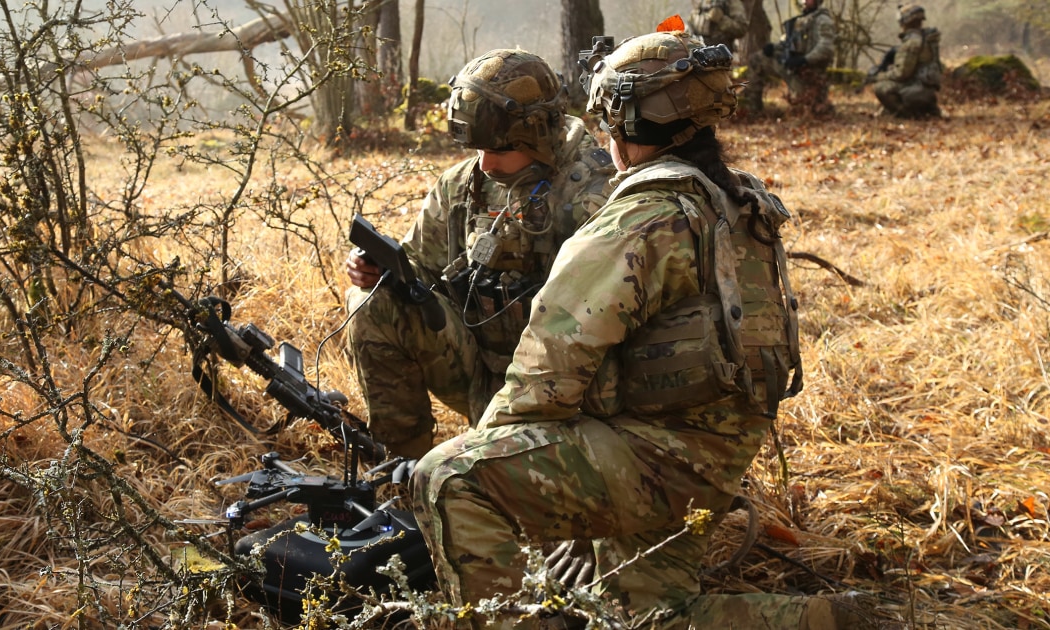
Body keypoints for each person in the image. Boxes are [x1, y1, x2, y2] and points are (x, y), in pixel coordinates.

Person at [412, 25, 880, 630]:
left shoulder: (640, 221)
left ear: (621, 125)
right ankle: (829, 621)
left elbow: (541, 382)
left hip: (654, 460)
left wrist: (499, 467)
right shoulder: (736, 199)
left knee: (448, 479)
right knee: (641, 618)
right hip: (712, 456)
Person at [344, 49, 614, 459]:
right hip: (479, 372)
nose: (485, 164)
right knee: (374, 301)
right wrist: (382, 271)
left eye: (499, 151)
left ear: (539, 134)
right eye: (478, 149)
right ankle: (400, 466)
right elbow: (421, 265)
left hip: (566, 395)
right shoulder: (462, 186)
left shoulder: (596, 195)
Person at [742, 0, 836, 115]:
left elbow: (826, 48)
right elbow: (789, 43)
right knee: (756, 60)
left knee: (808, 110)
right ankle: (753, 109)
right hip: (792, 69)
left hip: (809, 74)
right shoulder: (803, 20)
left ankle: (816, 102)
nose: (805, 1)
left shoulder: (823, 20)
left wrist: (804, 60)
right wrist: (773, 47)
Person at [869, 5, 943, 119]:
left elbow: (902, 74)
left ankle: (907, 114)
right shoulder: (927, 38)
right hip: (927, 90)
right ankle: (929, 109)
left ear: (904, 22)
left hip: (916, 91)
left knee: (880, 87)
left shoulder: (912, 42)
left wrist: (878, 76)